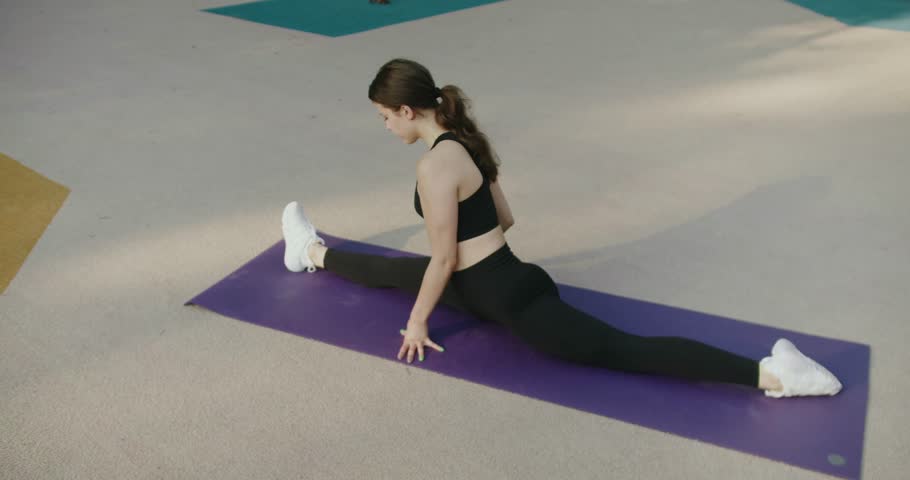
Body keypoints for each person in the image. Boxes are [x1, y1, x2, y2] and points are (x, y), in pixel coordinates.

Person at [280, 58, 842, 398]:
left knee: (624, 349)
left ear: (407, 111)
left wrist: (417, 323)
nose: (384, 126)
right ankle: (310, 251)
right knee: (395, 271)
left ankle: (775, 376)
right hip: (507, 278)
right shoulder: (465, 142)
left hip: (505, 298)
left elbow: (446, 258)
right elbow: (504, 220)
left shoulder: (432, 166)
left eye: (384, 116)